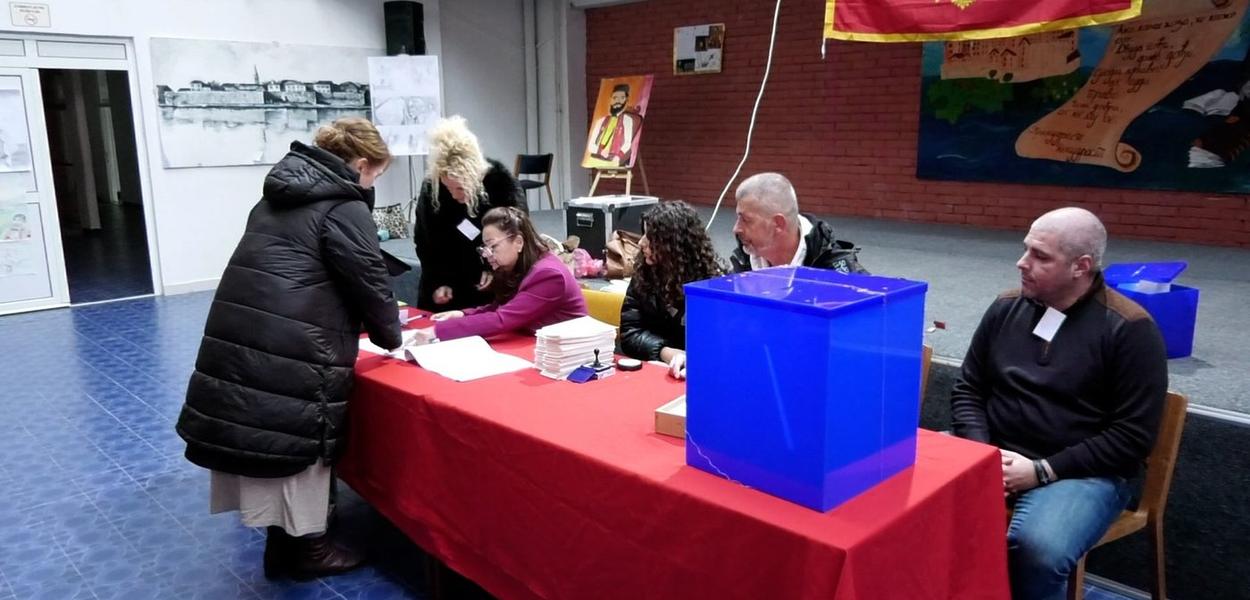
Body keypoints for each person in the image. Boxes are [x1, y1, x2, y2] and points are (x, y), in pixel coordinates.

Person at [176, 118, 402, 581]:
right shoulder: (343, 206)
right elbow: (370, 282)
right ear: (361, 164)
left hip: (250, 330)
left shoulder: (278, 195)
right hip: (297, 341)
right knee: (301, 439)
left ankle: (283, 547)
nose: (373, 184)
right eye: (376, 175)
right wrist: (391, 337)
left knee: (272, 438)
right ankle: (309, 550)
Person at [950, 207, 1167, 600]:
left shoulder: (1130, 329)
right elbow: (969, 388)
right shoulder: (1005, 308)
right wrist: (983, 454)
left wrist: (1042, 471)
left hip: (1081, 472)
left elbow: (1132, 437)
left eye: (1040, 256)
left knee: (1039, 549)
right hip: (992, 454)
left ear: (1080, 266)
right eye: (1026, 249)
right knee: (897, 497)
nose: (1022, 262)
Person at [422, 206, 586, 341]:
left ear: (518, 242)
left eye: (493, 246)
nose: (487, 255)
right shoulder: (521, 266)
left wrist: (437, 331)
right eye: (485, 248)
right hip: (537, 344)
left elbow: (502, 319)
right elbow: (501, 307)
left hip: (566, 355)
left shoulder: (549, 275)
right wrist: (461, 314)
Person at [413, 116, 523, 312]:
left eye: (461, 188)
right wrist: (439, 280)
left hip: (488, 286)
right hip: (445, 285)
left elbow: (517, 237)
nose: (455, 195)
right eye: (448, 188)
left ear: (476, 177)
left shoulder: (501, 185)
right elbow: (424, 241)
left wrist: (494, 269)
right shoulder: (432, 188)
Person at [620, 201, 724, 379]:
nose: (641, 242)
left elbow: (719, 345)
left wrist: (690, 359)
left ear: (673, 244)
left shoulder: (713, 283)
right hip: (656, 369)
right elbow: (630, 333)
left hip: (698, 374)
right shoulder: (644, 274)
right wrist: (665, 352)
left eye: (650, 237)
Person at [729, 172, 867, 275]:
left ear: (778, 224)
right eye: (737, 218)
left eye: (746, 220)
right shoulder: (742, 262)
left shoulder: (840, 277)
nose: (736, 229)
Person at [587, 83, 643, 167]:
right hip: (598, 157)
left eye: (622, 98)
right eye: (615, 98)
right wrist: (600, 151)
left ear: (626, 100)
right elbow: (591, 145)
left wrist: (617, 156)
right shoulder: (601, 121)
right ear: (611, 100)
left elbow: (627, 144)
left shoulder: (627, 120)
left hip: (616, 158)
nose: (618, 101)